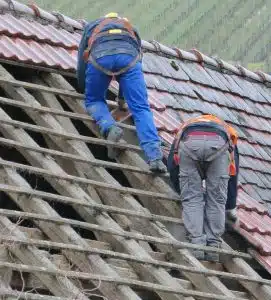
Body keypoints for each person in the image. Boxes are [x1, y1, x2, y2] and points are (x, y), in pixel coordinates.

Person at [76, 12, 166, 173]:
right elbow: (137, 60)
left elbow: (82, 60)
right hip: (129, 59)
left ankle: (109, 127)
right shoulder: (131, 28)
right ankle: (155, 157)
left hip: (100, 58)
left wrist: (83, 87)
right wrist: (122, 100)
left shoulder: (92, 27)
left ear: (104, 19)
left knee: (94, 101)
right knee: (140, 108)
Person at [167, 115, 239, 262]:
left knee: (192, 199)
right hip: (219, 145)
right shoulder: (229, 132)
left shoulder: (185, 128)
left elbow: (172, 166)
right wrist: (230, 205)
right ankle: (213, 246)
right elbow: (232, 172)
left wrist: (182, 191)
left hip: (189, 143)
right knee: (217, 199)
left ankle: (196, 244)